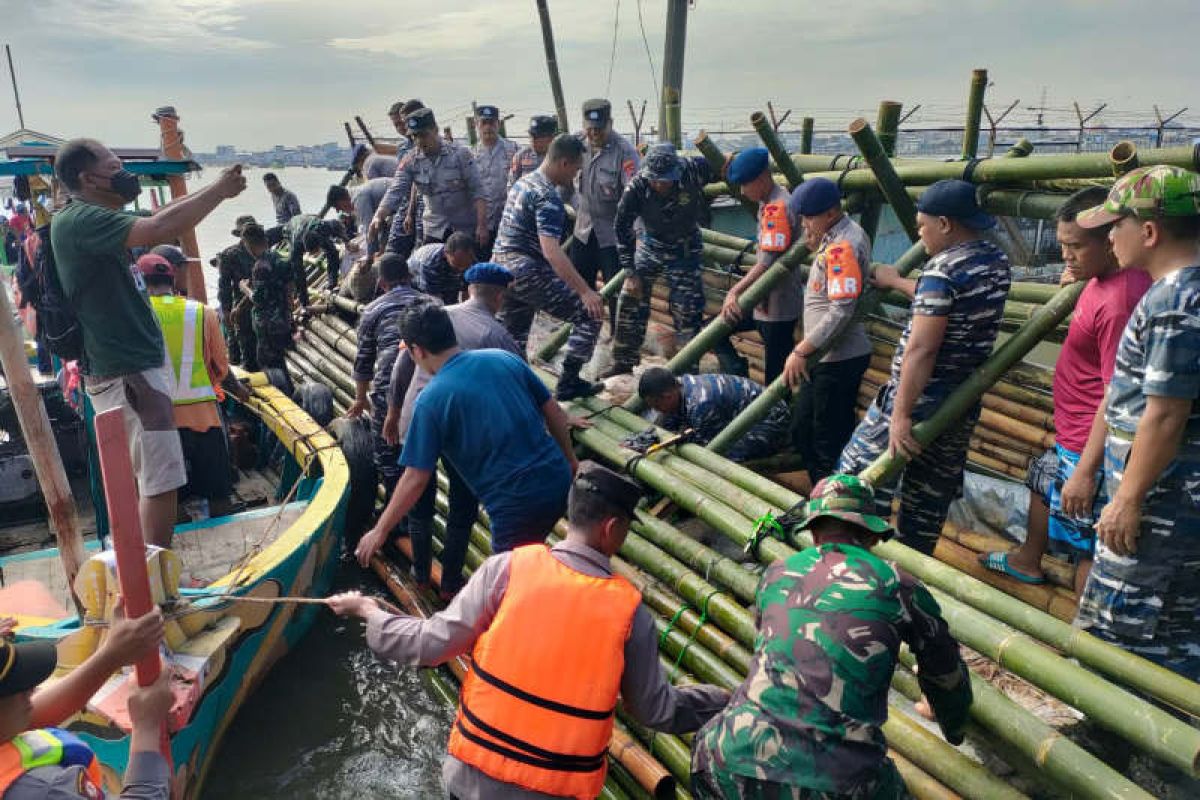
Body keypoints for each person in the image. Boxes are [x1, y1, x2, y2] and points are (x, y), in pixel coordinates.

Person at [331, 461, 730, 800]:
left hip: (472, 783)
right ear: (611, 528)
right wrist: (727, 701)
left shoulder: (506, 568)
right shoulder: (631, 613)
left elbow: (431, 643)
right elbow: (655, 710)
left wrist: (369, 611)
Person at [691, 474, 973, 799]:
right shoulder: (897, 584)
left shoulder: (777, 573)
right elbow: (947, 676)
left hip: (724, 759)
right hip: (835, 781)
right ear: (870, 533)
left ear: (813, 532)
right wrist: (954, 729)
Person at [51, 138, 246, 549]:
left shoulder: (97, 217)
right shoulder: (82, 219)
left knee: (153, 478)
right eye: (115, 164)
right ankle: (155, 579)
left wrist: (213, 189)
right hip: (129, 373)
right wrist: (219, 192)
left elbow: (162, 215)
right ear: (88, 178)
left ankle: (150, 571)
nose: (125, 173)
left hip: (132, 370)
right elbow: (161, 228)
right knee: (160, 481)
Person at [980, 187, 1151, 594]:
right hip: (1073, 429)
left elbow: (1118, 392)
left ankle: (1081, 640)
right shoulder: (1099, 279)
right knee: (1043, 478)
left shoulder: (1121, 301)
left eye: (1075, 247)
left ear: (1111, 242)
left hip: (1092, 440)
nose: (1066, 255)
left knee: (1093, 549)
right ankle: (1028, 559)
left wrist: (1088, 471)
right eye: (1062, 245)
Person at [1071, 165, 1200, 681]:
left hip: (1162, 505)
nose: (1109, 237)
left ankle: (1126, 747)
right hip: (1166, 499)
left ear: (1148, 232)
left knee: (1128, 634)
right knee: (1171, 628)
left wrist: (1127, 500)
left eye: (1115, 225)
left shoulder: (1176, 301)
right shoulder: (1176, 291)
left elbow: (1166, 413)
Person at [839, 179, 1010, 555]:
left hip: (918, 398)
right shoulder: (994, 261)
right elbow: (949, 305)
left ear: (946, 224)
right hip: (959, 402)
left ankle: (859, 564)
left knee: (852, 482)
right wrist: (900, 283)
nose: (920, 234)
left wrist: (900, 414)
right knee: (928, 499)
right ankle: (911, 571)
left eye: (922, 225)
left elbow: (922, 349)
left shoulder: (941, 271)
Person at [355, 302, 584, 565]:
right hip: (558, 480)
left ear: (417, 350)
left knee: (509, 577)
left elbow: (415, 477)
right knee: (536, 557)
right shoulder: (503, 358)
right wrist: (569, 459)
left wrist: (380, 530)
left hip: (515, 503)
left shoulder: (431, 400)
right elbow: (553, 411)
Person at [384, 262, 523, 599]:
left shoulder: (436, 315)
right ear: (500, 297)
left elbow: (402, 364)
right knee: (462, 507)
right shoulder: (496, 335)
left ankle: (419, 576)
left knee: (419, 503)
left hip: (417, 417)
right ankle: (448, 584)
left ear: (468, 290)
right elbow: (520, 381)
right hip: (461, 429)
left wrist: (392, 412)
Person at [0, 604, 170, 799]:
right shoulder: (45, 790)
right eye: (12, 685)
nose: (31, 689)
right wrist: (146, 728)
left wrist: (112, 655)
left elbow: (28, 715)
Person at [138, 253, 249, 520]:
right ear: (172, 278)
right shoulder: (202, 312)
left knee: (168, 501)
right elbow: (221, 368)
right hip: (204, 419)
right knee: (219, 495)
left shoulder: (136, 318)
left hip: (158, 424)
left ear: (141, 282)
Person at [494, 134, 605, 401]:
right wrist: (585, 292)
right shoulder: (547, 197)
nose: (576, 175)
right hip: (525, 270)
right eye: (577, 168)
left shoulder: (523, 183)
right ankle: (568, 384)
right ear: (565, 163)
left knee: (514, 335)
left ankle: (510, 388)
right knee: (591, 315)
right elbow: (552, 252)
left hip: (501, 269)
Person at [780, 178, 873, 484]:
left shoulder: (842, 246)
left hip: (836, 359)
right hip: (825, 358)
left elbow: (841, 309)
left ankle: (830, 504)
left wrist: (801, 350)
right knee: (803, 430)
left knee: (825, 441)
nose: (805, 223)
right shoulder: (835, 239)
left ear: (831, 214)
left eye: (809, 217)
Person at [607, 142, 714, 377]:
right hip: (650, 245)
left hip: (685, 249)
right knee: (630, 299)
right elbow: (621, 227)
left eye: (663, 180)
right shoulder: (637, 187)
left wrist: (728, 163)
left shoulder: (693, 169)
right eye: (654, 179)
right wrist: (630, 271)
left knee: (688, 311)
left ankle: (687, 372)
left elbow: (723, 165)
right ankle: (624, 362)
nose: (658, 184)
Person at [345, 253, 429, 513]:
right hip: (430, 388)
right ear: (409, 276)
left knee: (388, 455)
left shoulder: (374, 309)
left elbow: (364, 360)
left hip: (388, 390)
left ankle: (397, 512)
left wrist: (360, 399)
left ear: (382, 283)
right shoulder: (433, 303)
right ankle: (419, 508)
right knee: (425, 451)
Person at [716, 147, 801, 383]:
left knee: (776, 375)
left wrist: (735, 291)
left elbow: (766, 264)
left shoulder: (778, 208)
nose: (742, 192)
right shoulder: (769, 201)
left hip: (777, 307)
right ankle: (737, 372)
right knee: (713, 331)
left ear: (762, 178)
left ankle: (778, 416)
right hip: (761, 302)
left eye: (745, 184)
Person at [569, 99, 640, 323]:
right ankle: (584, 334)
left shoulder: (624, 152)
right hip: (583, 231)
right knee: (580, 287)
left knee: (615, 293)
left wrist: (637, 238)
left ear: (610, 123)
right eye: (589, 129)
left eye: (598, 129)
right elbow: (562, 182)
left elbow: (633, 199)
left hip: (613, 235)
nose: (593, 134)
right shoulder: (576, 145)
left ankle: (617, 340)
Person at [381, 108, 487, 251]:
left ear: (435, 130)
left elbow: (478, 191)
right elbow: (396, 190)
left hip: (464, 229)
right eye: (415, 136)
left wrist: (482, 225)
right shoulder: (411, 161)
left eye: (424, 135)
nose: (419, 141)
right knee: (429, 266)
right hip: (434, 229)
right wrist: (379, 215)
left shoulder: (460, 154)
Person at [638, 367, 791, 463]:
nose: (658, 411)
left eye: (657, 406)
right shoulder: (679, 385)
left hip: (772, 422)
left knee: (722, 457)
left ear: (668, 395)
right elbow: (668, 426)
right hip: (741, 417)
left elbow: (707, 448)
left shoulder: (701, 404)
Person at [370, 99, 427, 259]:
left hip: (427, 207)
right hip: (406, 203)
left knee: (419, 252)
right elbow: (402, 182)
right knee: (393, 252)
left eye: (404, 123)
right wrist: (382, 213)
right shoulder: (403, 148)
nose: (402, 128)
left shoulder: (434, 146)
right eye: (397, 125)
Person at [472, 105, 519, 261]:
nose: (488, 127)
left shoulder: (514, 150)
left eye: (491, 123)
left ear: (498, 124)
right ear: (476, 125)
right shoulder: (469, 155)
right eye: (483, 123)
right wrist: (481, 224)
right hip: (481, 223)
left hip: (507, 220)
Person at [248, 230, 296, 371]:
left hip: (268, 325)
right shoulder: (279, 257)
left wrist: (244, 288)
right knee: (284, 357)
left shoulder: (260, 266)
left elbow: (257, 299)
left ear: (249, 246)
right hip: (284, 318)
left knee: (268, 362)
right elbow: (290, 285)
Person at [215, 215, 260, 367]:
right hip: (242, 309)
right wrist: (226, 311)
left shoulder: (262, 249)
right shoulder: (230, 255)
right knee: (241, 344)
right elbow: (224, 286)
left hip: (261, 305)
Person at [281, 213, 344, 306]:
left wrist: (332, 283)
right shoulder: (296, 246)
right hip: (290, 228)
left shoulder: (321, 230)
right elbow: (299, 276)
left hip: (309, 220)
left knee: (332, 251)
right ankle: (304, 302)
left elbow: (333, 254)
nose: (315, 254)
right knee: (297, 269)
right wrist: (305, 304)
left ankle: (332, 284)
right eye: (312, 252)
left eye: (316, 250)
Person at [326, 178, 392, 259]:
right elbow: (380, 226)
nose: (339, 210)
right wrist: (381, 249)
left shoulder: (359, 199)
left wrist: (369, 258)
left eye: (337, 207)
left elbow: (371, 230)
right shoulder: (356, 193)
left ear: (341, 200)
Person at [407, 232, 476, 305]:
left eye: (466, 264)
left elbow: (466, 289)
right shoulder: (430, 263)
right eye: (458, 264)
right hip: (416, 282)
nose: (462, 269)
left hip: (444, 276)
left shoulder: (470, 258)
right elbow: (434, 299)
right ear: (446, 253)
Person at [508, 115, 558, 189]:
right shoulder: (521, 156)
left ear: (551, 137)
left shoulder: (559, 157)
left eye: (538, 136)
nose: (533, 140)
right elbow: (512, 185)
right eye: (532, 135)